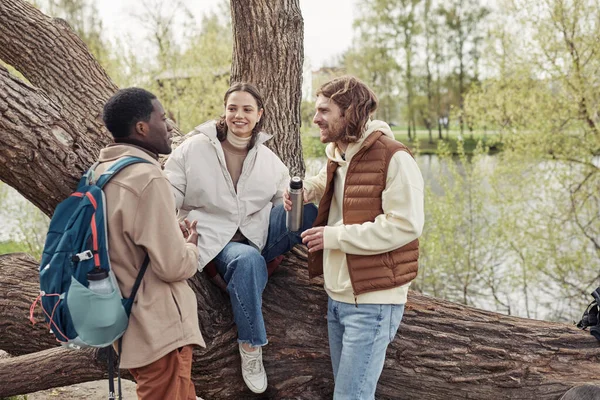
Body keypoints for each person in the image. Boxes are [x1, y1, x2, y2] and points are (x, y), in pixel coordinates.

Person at [164, 82, 317, 394]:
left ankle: (248, 278)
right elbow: (169, 192)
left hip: (257, 232)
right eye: (233, 108)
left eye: (247, 109)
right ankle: (250, 345)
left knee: (308, 210)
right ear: (224, 110)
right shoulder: (195, 148)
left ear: (258, 115)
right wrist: (170, 222)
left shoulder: (268, 158)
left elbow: (282, 203)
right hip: (216, 238)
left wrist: (293, 201)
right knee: (247, 261)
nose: (239, 115)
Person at [289, 76, 424, 399]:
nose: (315, 118)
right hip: (338, 297)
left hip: (373, 302)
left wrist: (334, 237)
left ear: (348, 112)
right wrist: (308, 189)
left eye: (324, 110)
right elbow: (331, 180)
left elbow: (405, 225)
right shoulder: (339, 153)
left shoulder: (394, 157)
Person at [99, 88, 204, 400]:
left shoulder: (102, 172)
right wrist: (191, 247)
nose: (169, 125)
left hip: (128, 319)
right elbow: (172, 266)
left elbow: (127, 244)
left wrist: (170, 233)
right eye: (162, 117)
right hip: (159, 327)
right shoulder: (147, 177)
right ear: (141, 128)